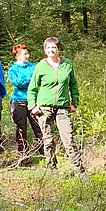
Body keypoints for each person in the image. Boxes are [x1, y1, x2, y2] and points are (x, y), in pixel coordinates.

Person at [28, 37, 85, 175]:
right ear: (44, 50)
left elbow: (73, 85)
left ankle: (80, 171)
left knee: (68, 139)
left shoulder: (67, 64)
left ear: (58, 49)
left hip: (62, 107)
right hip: (44, 108)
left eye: (53, 47)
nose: (51, 50)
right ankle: (52, 169)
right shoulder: (41, 66)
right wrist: (32, 106)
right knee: (48, 140)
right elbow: (32, 88)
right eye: (48, 48)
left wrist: (74, 102)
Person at [8, 44, 43, 156]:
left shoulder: (33, 67)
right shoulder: (13, 69)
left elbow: (39, 80)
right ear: (17, 55)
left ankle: (45, 152)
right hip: (18, 101)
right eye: (25, 54)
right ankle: (23, 155)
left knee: (38, 126)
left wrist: (28, 80)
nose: (28, 56)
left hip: (34, 100)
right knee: (21, 128)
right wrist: (31, 78)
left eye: (28, 53)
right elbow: (17, 83)